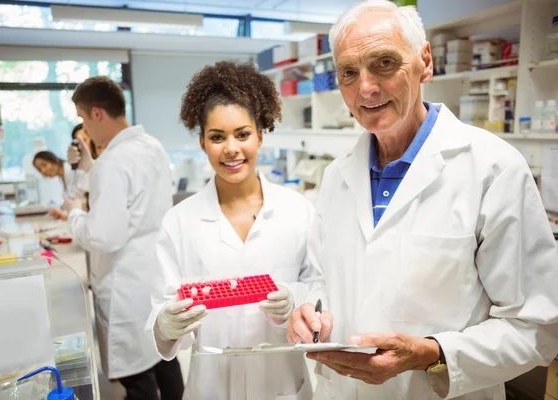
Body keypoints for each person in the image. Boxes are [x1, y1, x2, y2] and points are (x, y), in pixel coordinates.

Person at [287, 1, 558, 399]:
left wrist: (429, 354)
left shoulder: (492, 169)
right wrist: (309, 310)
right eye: (349, 72)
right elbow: (323, 278)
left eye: (383, 63)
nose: (366, 88)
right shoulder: (335, 176)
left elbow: (537, 325)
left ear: (424, 62)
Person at [147, 61, 326, 400]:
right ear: (202, 143)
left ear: (260, 134)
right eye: (217, 137)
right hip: (211, 386)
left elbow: (320, 286)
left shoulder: (297, 210)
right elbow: (161, 311)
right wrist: (165, 324)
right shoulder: (179, 221)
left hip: (283, 385)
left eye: (242, 134)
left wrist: (296, 302)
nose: (231, 148)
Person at [62, 76, 183, 400]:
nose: (85, 127)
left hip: (125, 283)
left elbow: (105, 236)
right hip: (154, 273)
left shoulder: (114, 161)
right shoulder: (151, 146)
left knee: (138, 379)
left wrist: (75, 214)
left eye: (84, 118)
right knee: (164, 360)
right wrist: (90, 170)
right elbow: (133, 197)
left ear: (97, 113)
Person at [32, 150, 82, 220]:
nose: (43, 171)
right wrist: (61, 213)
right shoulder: (62, 178)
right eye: (39, 170)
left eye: (44, 164)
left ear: (53, 159)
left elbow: (82, 203)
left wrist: (66, 214)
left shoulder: (73, 171)